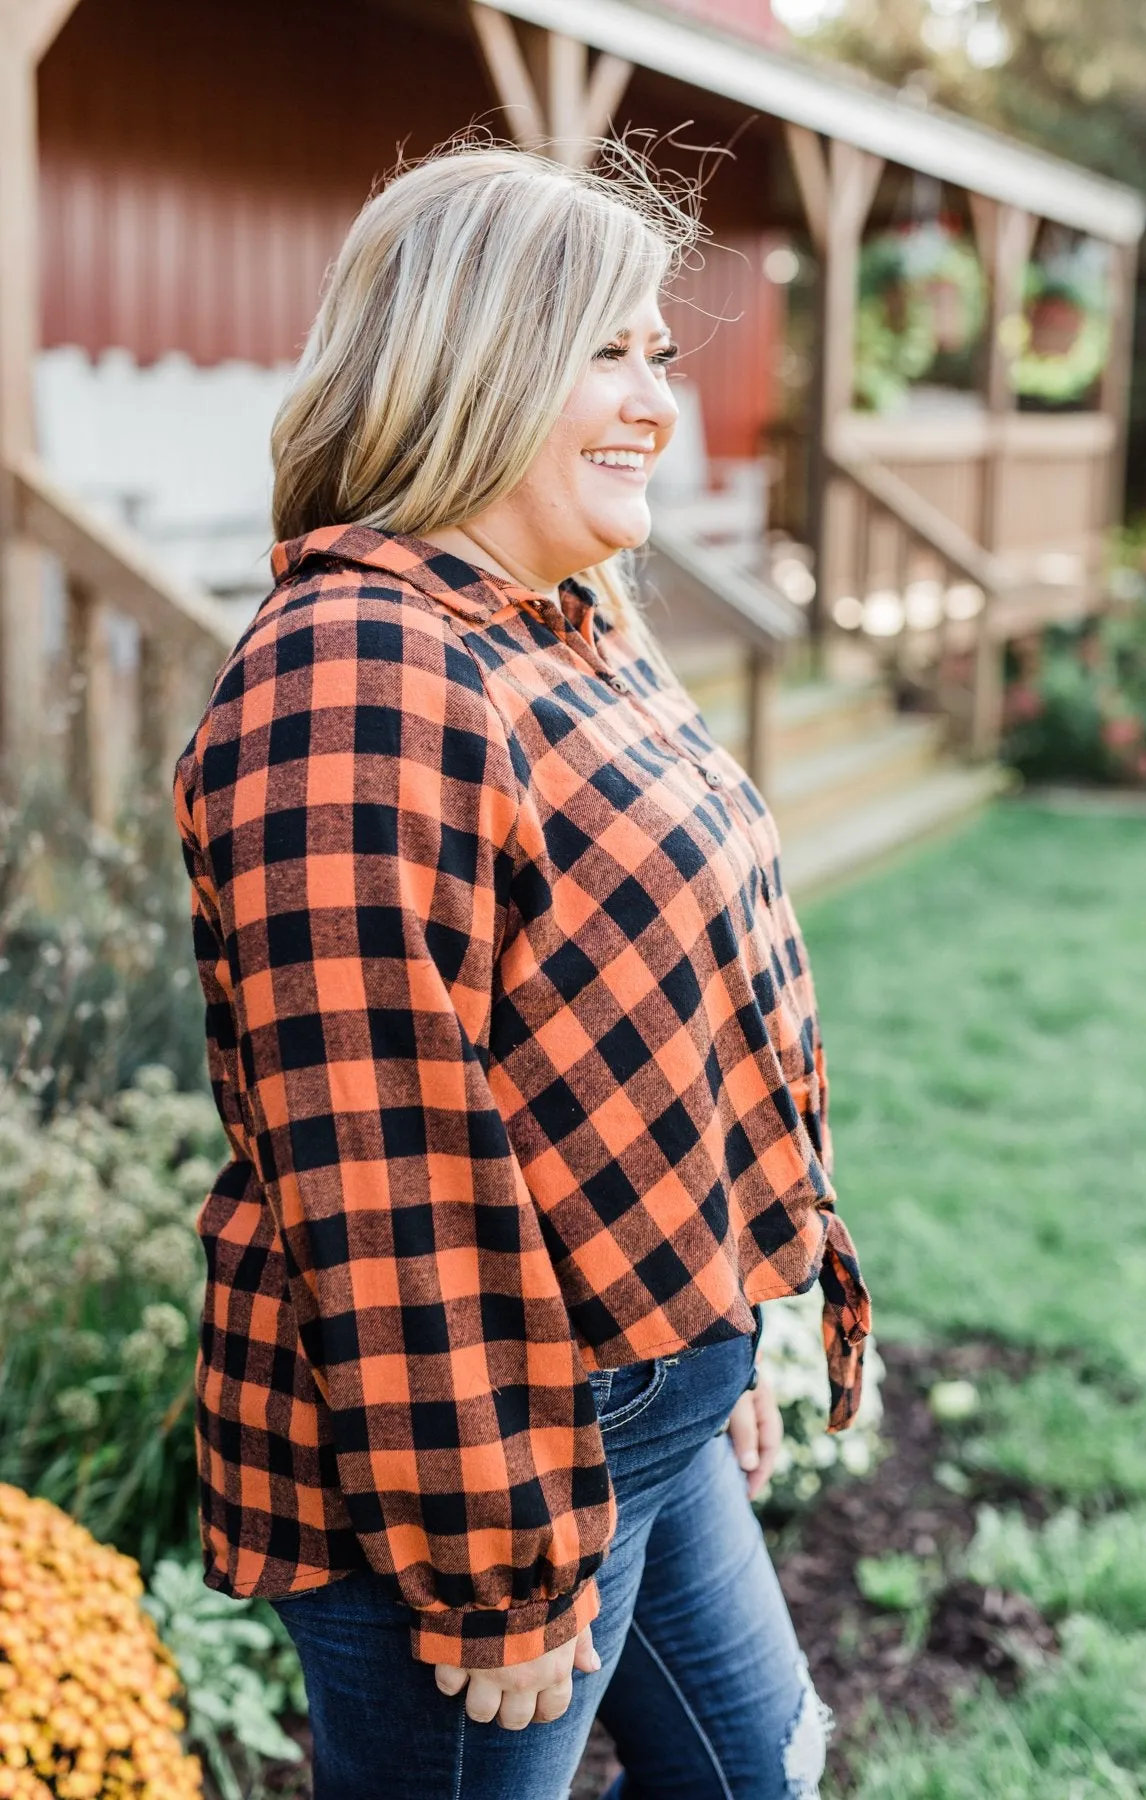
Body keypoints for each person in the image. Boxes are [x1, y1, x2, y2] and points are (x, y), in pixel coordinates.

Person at [173, 141, 871, 1800]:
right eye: (601, 354)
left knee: (758, 1773)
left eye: (657, 353)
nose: (654, 404)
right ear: (468, 368)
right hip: (476, 1470)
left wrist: (723, 1335)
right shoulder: (353, 675)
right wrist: (496, 1571)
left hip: (641, 1396)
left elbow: (671, 1025)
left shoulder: (566, 630)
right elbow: (386, 1173)